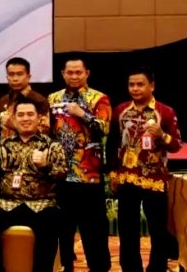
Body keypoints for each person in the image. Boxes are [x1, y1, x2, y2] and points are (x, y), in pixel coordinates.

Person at [107, 67, 183, 272]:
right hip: (126, 179)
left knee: (158, 230)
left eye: (140, 84)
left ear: (152, 86)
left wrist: (162, 135)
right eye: (131, 84)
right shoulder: (120, 110)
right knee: (127, 230)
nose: (135, 88)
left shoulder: (165, 112)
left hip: (155, 180)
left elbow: (176, 145)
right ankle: (131, 268)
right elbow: (112, 143)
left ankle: (157, 268)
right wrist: (113, 173)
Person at [0, 98, 67, 272]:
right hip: (8, 204)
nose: (25, 118)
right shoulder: (1, 147)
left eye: (30, 114)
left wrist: (46, 165)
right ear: (13, 119)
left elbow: (62, 174)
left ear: (39, 118)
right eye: (20, 115)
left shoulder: (52, 146)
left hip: (41, 205)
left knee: (51, 223)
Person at [48, 56, 112, 272]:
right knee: (63, 231)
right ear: (63, 74)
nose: (74, 76)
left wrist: (82, 114)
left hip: (89, 176)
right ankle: (66, 267)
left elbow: (105, 129)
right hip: (60, 176)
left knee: (94, 231)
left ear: (87, 74)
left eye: (78, 72)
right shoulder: (53, 99)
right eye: (70, 72)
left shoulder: (99, 98)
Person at [0, 57, 49, 139]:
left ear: (29, 77)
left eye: (19, 74)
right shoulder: (3, 101)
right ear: (7, 78)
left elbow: (45, 132)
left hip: (32, 146)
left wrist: (14, 126)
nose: (15, 79)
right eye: (11, 74)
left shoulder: (39, 101)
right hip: (5, 146)